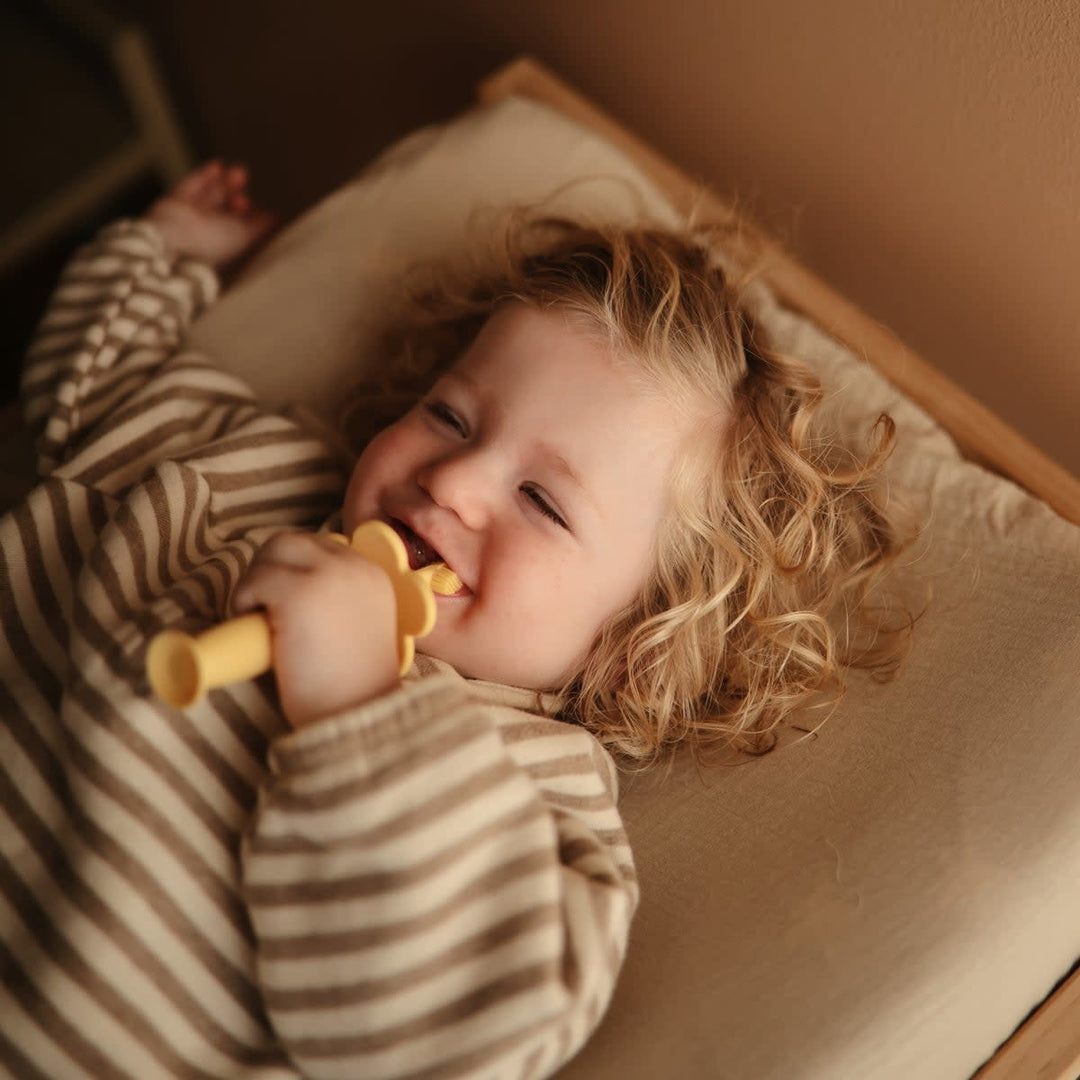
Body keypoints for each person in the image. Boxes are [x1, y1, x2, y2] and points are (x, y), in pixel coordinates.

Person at [0, 162, 908, 1079]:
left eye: (544, 504)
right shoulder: (248, 464)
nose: (453, 482)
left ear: (635, 651)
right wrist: (161, 251)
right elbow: (92, 390)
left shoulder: (536, 792)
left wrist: (356, 702)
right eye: (449, 415)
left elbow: (447, 1029)